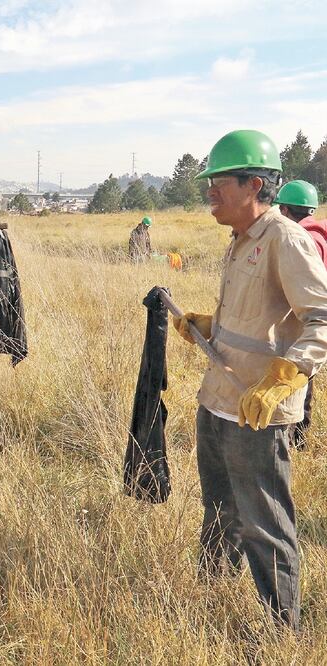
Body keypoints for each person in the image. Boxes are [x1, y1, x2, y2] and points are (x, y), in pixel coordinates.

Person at [172, 130, 327, 631]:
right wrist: (207, 327)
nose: (210, 192)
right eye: (209, 182)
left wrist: (286, 377)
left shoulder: (285, 238)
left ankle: (283, 631)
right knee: (219, 513)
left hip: (257, 412)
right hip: (217, 401)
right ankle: (211, 599)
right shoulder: (240, 240)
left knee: (264, 525)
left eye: (220, 182)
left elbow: (320, 319)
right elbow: (257, 321)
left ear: (254, 184)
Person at [275, 179, 327, 448]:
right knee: (306, 383)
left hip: (305, 326)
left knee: (294, 386)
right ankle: (300, 441)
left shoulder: (300, 240)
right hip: (318, 329)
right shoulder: (320, 235)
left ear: (284, 210)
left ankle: (294, 441)